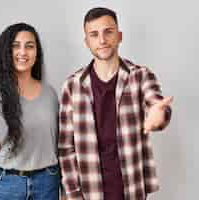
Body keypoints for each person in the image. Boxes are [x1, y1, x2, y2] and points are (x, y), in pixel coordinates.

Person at [58, 7, 173, 200]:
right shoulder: (72, 85)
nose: (102, 40)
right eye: (94, 34)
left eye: (108, 32)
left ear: (119, 36)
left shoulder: (140, 75)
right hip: (89, 190)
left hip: (132, 187)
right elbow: (65, 147)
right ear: (87, 42)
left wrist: (158, 114)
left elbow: (156, 103)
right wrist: (73, 194)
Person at [0, 23, 60, 200]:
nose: (23, 52)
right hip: (2, 184)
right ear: (5, 52)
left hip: (47, 183)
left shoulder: (50, 93)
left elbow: (59, 142)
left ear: (37, 53)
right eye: (15, 46)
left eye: (29, 46)